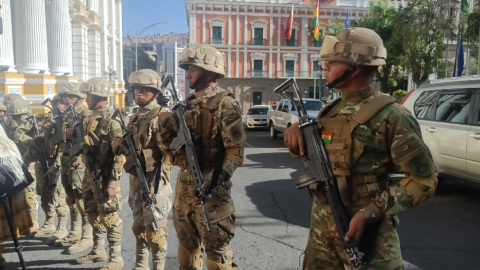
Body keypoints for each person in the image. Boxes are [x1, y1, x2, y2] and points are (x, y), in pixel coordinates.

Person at [283, 27, 438, 270]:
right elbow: (317, 159)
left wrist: (371, 212)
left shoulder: (392, 117)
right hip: (322, 232)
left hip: (368, 237)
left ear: (353, 67)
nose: (324, 67)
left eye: (332, 62)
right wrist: (296, 136)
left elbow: (424, 180)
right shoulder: (329, 110)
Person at [159, 46, 245, 270]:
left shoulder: (225, 104)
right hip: (184, 190)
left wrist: (213, 179)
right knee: (186, 251)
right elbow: (169, 147)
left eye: (192, 69)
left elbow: (235, 151)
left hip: (212, 193)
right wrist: (166, 130)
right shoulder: (185, 104)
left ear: (209, 71)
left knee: (217, 255)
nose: (187, 74)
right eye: (187, 69)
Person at [112, 69, 173, 270]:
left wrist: (155, 183)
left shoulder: (163, 116)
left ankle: (158, 267)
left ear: (155, 92)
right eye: (136, 89)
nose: (139, 93)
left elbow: (170, 155)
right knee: (139, 227)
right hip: (136, 182)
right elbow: (128, 146)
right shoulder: (134, 118)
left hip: (155, 183)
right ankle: (140, 265)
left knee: (155, 231)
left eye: (144, 90)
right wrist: (120, 145)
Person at [75, 77, 126, 270]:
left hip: (105, 176)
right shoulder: (89, 118)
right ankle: (98, 250)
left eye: (88, 95)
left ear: (97, 95)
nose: (86, 99)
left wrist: (113, 183)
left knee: (110, 217)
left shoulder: (112, 121)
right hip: (90, 174)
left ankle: (116, 257)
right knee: (91, 212)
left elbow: (121, 155)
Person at [13, 95, 70, 242]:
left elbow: (64, 149)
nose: (60, 107)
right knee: (44, 194)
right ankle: (49, 223)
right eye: (58, 104)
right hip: (42, 162)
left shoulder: (67, 122)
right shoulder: (40, 120)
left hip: (57, 163)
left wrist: (56, 167)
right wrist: (29, 140)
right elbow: (18, 133)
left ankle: (62, 228)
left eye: (62, 104)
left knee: (58, 196)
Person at [48, 82, 93, 254]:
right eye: (63, 97)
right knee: (71, 199)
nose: (64, 99)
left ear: (76, 96)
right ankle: (75, 232)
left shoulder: (84, 114)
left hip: (78, 161)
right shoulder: (68, 113)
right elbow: (61, 141)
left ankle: (87, 237)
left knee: (81, 200)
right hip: (67, 159)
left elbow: (90, 140)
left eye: (67, 96)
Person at [9, 98, 40, 236]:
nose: (18, 119)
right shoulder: (8, 122)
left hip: (27, 161)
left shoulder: (31, 121)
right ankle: (21, 223)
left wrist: (27, 140)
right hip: (14, 161)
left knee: (28, 190)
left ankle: (33, 223)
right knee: (17, 192)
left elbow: (19, 136)